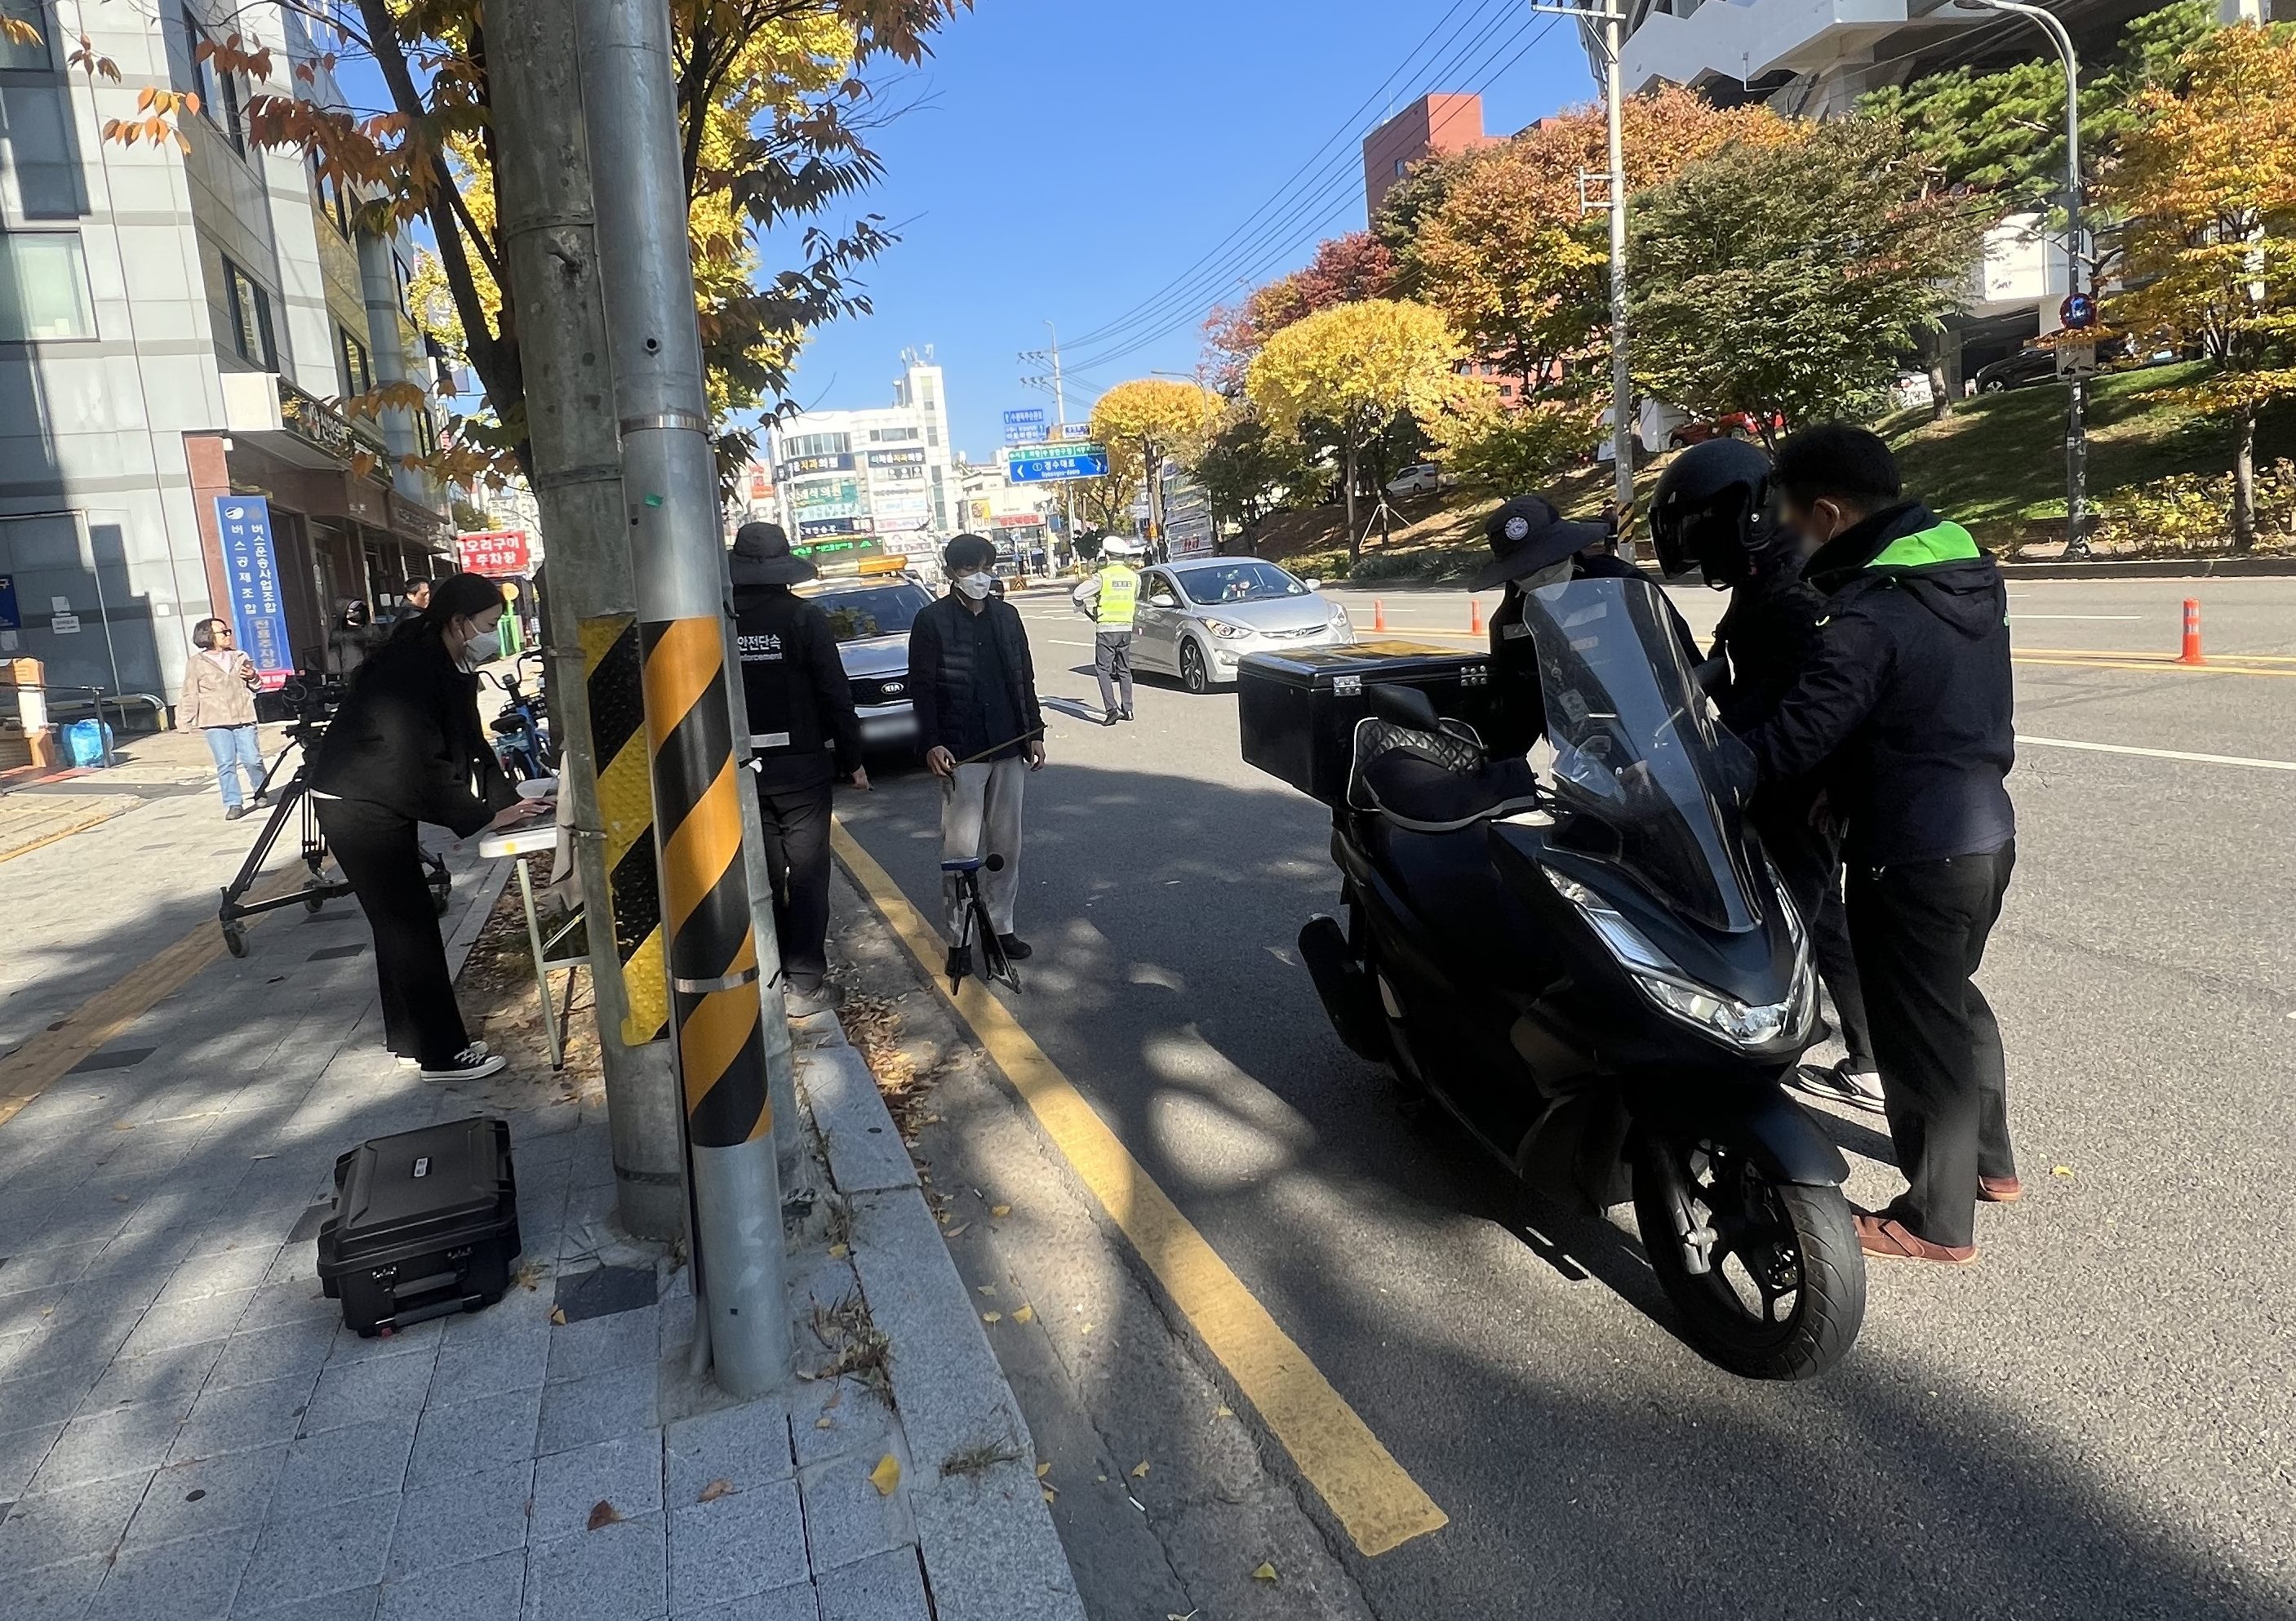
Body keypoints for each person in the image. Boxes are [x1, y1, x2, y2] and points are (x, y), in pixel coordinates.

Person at [1740, 424, 2017, 1267]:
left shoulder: (1867, 615)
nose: (1788, 536)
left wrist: (1709, 768)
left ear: (1827, 511)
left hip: (1910, 848)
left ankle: (1933, 1221)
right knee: (1951, 999)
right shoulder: (1962, 575)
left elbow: (1793, 740)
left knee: (1911, 1029)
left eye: (1791, 519)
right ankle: (1990, 1165)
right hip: (1985, 832)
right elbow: (1916, 705)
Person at [1649, 437, 1880, 1112]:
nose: (1698, 544)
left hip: (1796, 786)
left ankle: (1755, 1086)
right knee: (1822, 918)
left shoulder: (1798, 584)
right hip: (1777, 777)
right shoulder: (1766, 574)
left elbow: (1807, 700)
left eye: (1704, 525)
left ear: (1744, 514)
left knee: (1783, 930)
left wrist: (1724, 753)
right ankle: (1869, 1058)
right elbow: (1733, 659)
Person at [308, 571, 547, 1081]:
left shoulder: (446, 660)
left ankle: (412, 1037)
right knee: (409, 927)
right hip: (356, 802)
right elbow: (412, 760)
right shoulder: (412, 665)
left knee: (401, 923)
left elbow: (470, 741)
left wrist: (509, 800)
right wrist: (482, 815)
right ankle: (442, 1054)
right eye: (487, 623)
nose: (492, 634)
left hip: (376, 797)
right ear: (458, 622)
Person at [729, 522, 867, 1017]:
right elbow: (834, 693)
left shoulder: (715, 621)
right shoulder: (803, 618)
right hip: (802, 771)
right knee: (807, 874)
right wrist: (852, 759)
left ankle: (768, 971)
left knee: (762, 875)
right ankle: (804, 982)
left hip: (739, 771)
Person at [908, 533, 1046, 979]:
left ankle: (1002, 927)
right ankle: (958, 940)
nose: (979, 577)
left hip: (1009, 746)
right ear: (951, 573)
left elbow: (1024, 676)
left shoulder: (1008, 617)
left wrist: (1035, 733)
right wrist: (932, 741)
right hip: (961, 754)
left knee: (1007, 847)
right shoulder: (930, 621)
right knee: (960, 853)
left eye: (985, 567)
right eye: (969, 569)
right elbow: (922, 689)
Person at [180, 617, 266, 820]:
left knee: (253, 759)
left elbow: (257, 686)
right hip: (214, 719)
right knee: (226, 763)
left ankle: (261, 789)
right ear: (208, 636)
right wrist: (184, 719)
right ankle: (233, 803)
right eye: (223, 632)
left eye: (228, 632)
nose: (228, 635)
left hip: (243, 715)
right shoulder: (196, 663)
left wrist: (252, 676)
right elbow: (189, 692)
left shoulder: (240, 656)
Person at [1070, 536, 1140, 725]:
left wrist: (1080, 605)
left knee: (1103, 670)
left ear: (1107, 557)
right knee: (1125, 669)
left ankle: (1111, 710)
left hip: (1107, 629)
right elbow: (1135, 598)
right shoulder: (1134, 577)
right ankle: (1128, 709)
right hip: (1126, 628)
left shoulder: (1103, 577)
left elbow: (1078, 594)